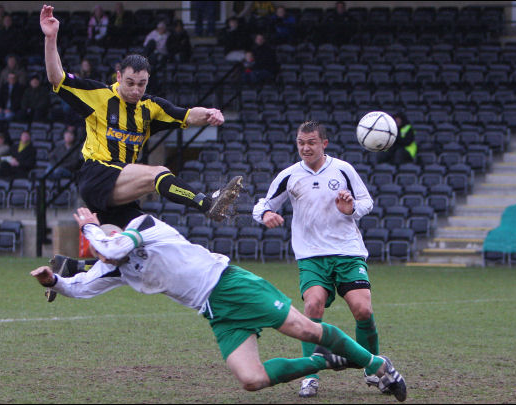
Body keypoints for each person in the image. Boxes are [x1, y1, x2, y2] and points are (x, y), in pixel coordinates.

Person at [30, 206, 407, 402]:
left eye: (104, 246)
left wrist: (89, 227)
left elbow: (111, 247)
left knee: (305, 328)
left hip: (230, 285)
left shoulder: (143, 226)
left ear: (114, 234)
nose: (105, 258)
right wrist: (55, 281)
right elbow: (82, 285)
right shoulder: (117, 267)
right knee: (251, 380)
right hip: (215, 312)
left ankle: (379, 365)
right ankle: (325, 360)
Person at [40, 4, 243, 229]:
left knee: (142, 241)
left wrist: (209, 113)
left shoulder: (151, 107)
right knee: (158, 173)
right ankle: (207, 203)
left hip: (122, 185)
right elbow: (56, 77)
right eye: (130, 83)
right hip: (97, 175)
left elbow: (185, 115)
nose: (136, 90)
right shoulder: (99, 96)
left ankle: (69, 266)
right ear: (118, 76)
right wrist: (51, 37)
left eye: (142, 84)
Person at [252, 121, 387, 398]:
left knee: (363, 310)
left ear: (324, 144)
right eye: (301, 143)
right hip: (312, 255)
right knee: (313, 305)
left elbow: (366, 202)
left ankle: (374, 370)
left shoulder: (343, 169)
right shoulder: (289, 175)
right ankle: (309, 375)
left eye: (311, 142)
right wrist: (266, 215)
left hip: (348, 252)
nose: (305, 147)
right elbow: (263, 203)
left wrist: (350, 209)